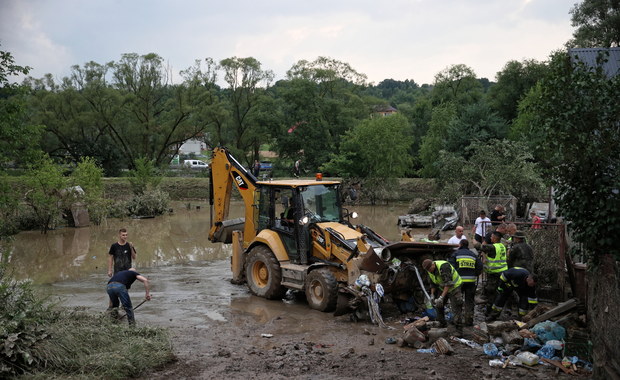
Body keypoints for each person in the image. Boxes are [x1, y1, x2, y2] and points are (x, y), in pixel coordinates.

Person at [448, 239, 482, 326]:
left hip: (459, 282)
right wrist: (475, 274)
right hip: (471, 282)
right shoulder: (473, 255)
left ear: (460, 245)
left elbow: (451, 268)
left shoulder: (455, 254)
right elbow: (480, 266)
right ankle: (469, 321)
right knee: (469, 301)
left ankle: (457, 321)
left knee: (457, 301)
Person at [422, 259, 464, 327]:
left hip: (455, 287)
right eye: (428, 270)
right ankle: (441, 323)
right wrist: (432, 295)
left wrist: (441, 297)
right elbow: (433, 284)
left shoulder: (444, 267)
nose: (429, 271)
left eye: (430, 269)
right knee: (438, 305)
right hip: (443, 287)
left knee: (456, 308)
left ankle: (458, 329)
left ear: (433, 264)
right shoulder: (429, 270)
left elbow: (448, 283)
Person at [479, 231, 508, 314]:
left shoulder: (493, 247)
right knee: (500, 291)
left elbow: (480, 247)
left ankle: (490, 311)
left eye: (491, 237)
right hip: (503, 271)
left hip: (495, 273)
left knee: (491, 292)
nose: (490, 238)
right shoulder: (502, 246)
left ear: (495, 238)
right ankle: (498, 309)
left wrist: (473, 239)